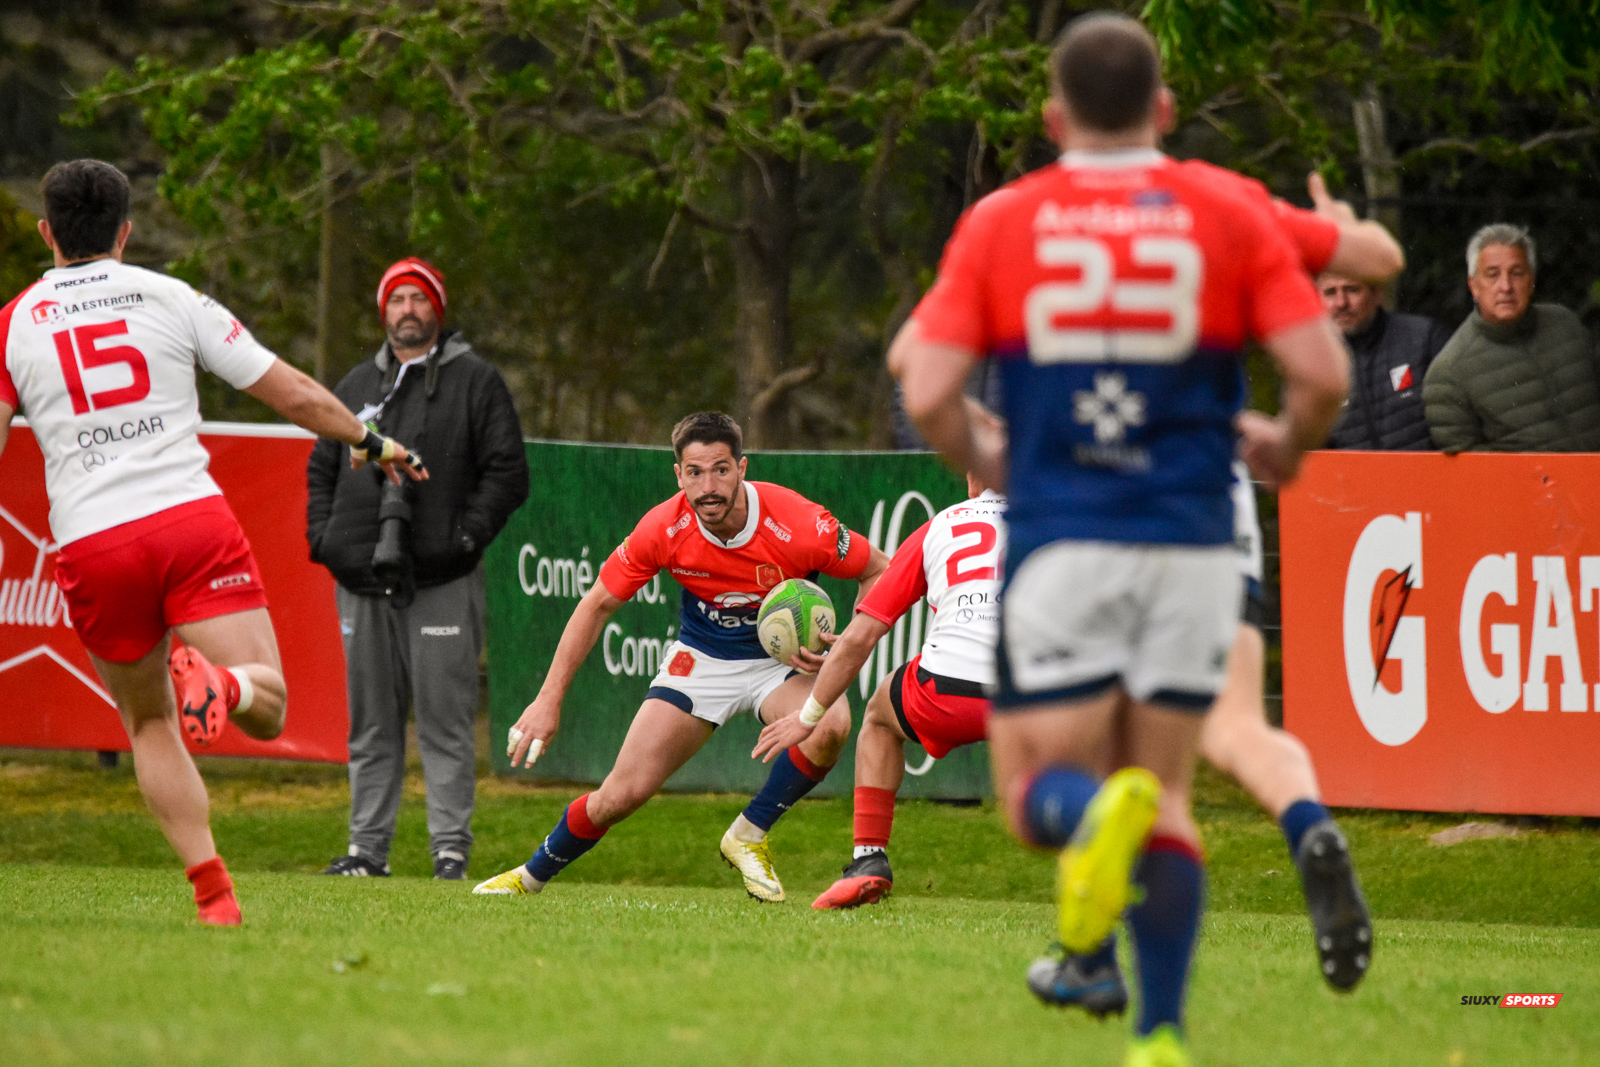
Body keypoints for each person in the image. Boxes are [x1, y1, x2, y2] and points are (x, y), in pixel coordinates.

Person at [890, 16, 1350, 1066]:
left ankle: (1084, 816)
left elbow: (922, 382)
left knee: (1036, 790)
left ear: (1053, 119)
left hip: (1066, 536)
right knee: (1167, 789)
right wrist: (1287, 443)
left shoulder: (1012, 216)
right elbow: (1322, 371)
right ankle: (1158, 1032)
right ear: (1166, 111)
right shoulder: (1218, 207)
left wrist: (990, 458)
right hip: (1195, 542)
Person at [0, 159, 425, 925]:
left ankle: (214, 894)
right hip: (187, 522)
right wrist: (371, 440)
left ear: (46, 233)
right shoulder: (172, 298)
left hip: (93, 543)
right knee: (266, 700)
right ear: (126, 232)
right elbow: (290, 391)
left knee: (150, 723)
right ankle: (223, 687)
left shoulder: (14, 321)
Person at [473, 411, 888, 902]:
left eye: (720, 470)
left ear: (742, 468)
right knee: (619, 796)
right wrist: (548, 699)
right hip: (701, 659)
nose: (708, 486)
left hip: (782, 666)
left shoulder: (799, 523)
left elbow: (880, 569)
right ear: (678, 475)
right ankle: (529, 876)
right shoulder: (663, 528)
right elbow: (596, 604)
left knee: (831, 723)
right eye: (694, 472)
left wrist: (853, 636)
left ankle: (748, 835)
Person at [307, 257, 528, 881]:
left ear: (439, 307)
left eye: (419, 298)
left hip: (441, 581)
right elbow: (321, 469)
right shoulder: (353, 386)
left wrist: (464, 536)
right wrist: (325, 541)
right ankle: (365, 852)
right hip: (360, 582)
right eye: (397, 299)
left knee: (445, 724)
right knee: (370, 727)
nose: (408, 309)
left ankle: (450, 852)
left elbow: (508, 472)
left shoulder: (476, 381)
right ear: (384, 311)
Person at [750, 462, 1004, 911]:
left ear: (973, 478)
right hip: (1036, 696)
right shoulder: (1063, 526)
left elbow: (862, 636)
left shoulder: (940, 526)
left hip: (945, 693)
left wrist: (809, 716)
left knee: (880, 717)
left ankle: (869, 859)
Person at [1423, 224, 1600, 453]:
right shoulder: (1448, 373)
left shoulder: (1566, 325)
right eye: (1492, 275)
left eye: (1517, 273)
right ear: (1473, 286)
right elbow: (1468, 474)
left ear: (1531, 281)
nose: (1505, 287)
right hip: (1529, 487)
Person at [1320, 272, 1450, 450]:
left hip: (1427, 475)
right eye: (1330, 293)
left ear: (1377, 294)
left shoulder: (1424, 338)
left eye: (1352, 290)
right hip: (1354, 477)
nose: (1341, 303)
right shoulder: (1315, 366)